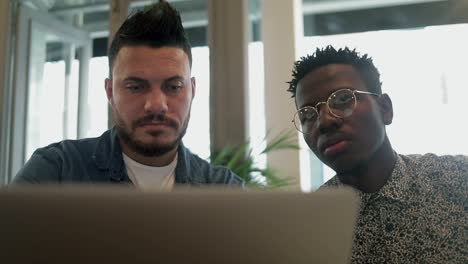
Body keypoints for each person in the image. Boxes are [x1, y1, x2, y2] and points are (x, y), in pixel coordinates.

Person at [14, 1, 243, 189]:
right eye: (136, 87)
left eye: (173, 87)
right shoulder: (56, 173)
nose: (156, 105)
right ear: (109, 92)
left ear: (192, 90)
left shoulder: (225, 190)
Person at [287, 45, 467, 263]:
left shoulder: (458, 179)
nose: (324, 121)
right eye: (307, 114)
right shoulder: (307, 226)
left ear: (385, 109)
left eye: (343, 99)